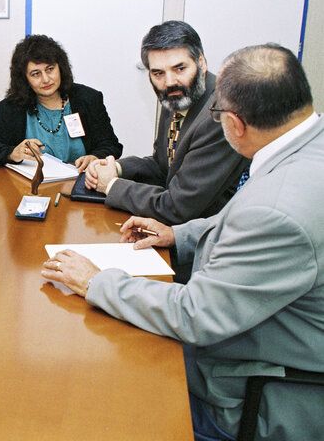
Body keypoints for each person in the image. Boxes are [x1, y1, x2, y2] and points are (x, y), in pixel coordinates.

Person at [43, 44, 324, 441]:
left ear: (235, 125)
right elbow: (238, 217)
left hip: (257, 388)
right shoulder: (306, 145)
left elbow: (196, 315)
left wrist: (95, 282)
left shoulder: (278, 209)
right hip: (264, 334)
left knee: (103, 397)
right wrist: (178, 234)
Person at [85, 21, 247, 224]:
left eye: (180, 68)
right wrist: (115, 167)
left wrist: (111, 185)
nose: (169, 82)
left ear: (202, 63)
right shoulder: (178, 97)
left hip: (205, 236)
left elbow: (177, 207)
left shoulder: (219, 113)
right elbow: (163, 165)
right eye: (158, 73)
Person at [0, 34, 122, 171]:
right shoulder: (9, 109)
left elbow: (111, 145)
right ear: (24, 79)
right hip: (30, 187)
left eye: (50, 69)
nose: (46, 79)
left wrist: (95, 157)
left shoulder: (88, 99)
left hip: (81, 181)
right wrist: (12, 153)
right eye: (36, 74)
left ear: (61, 68)